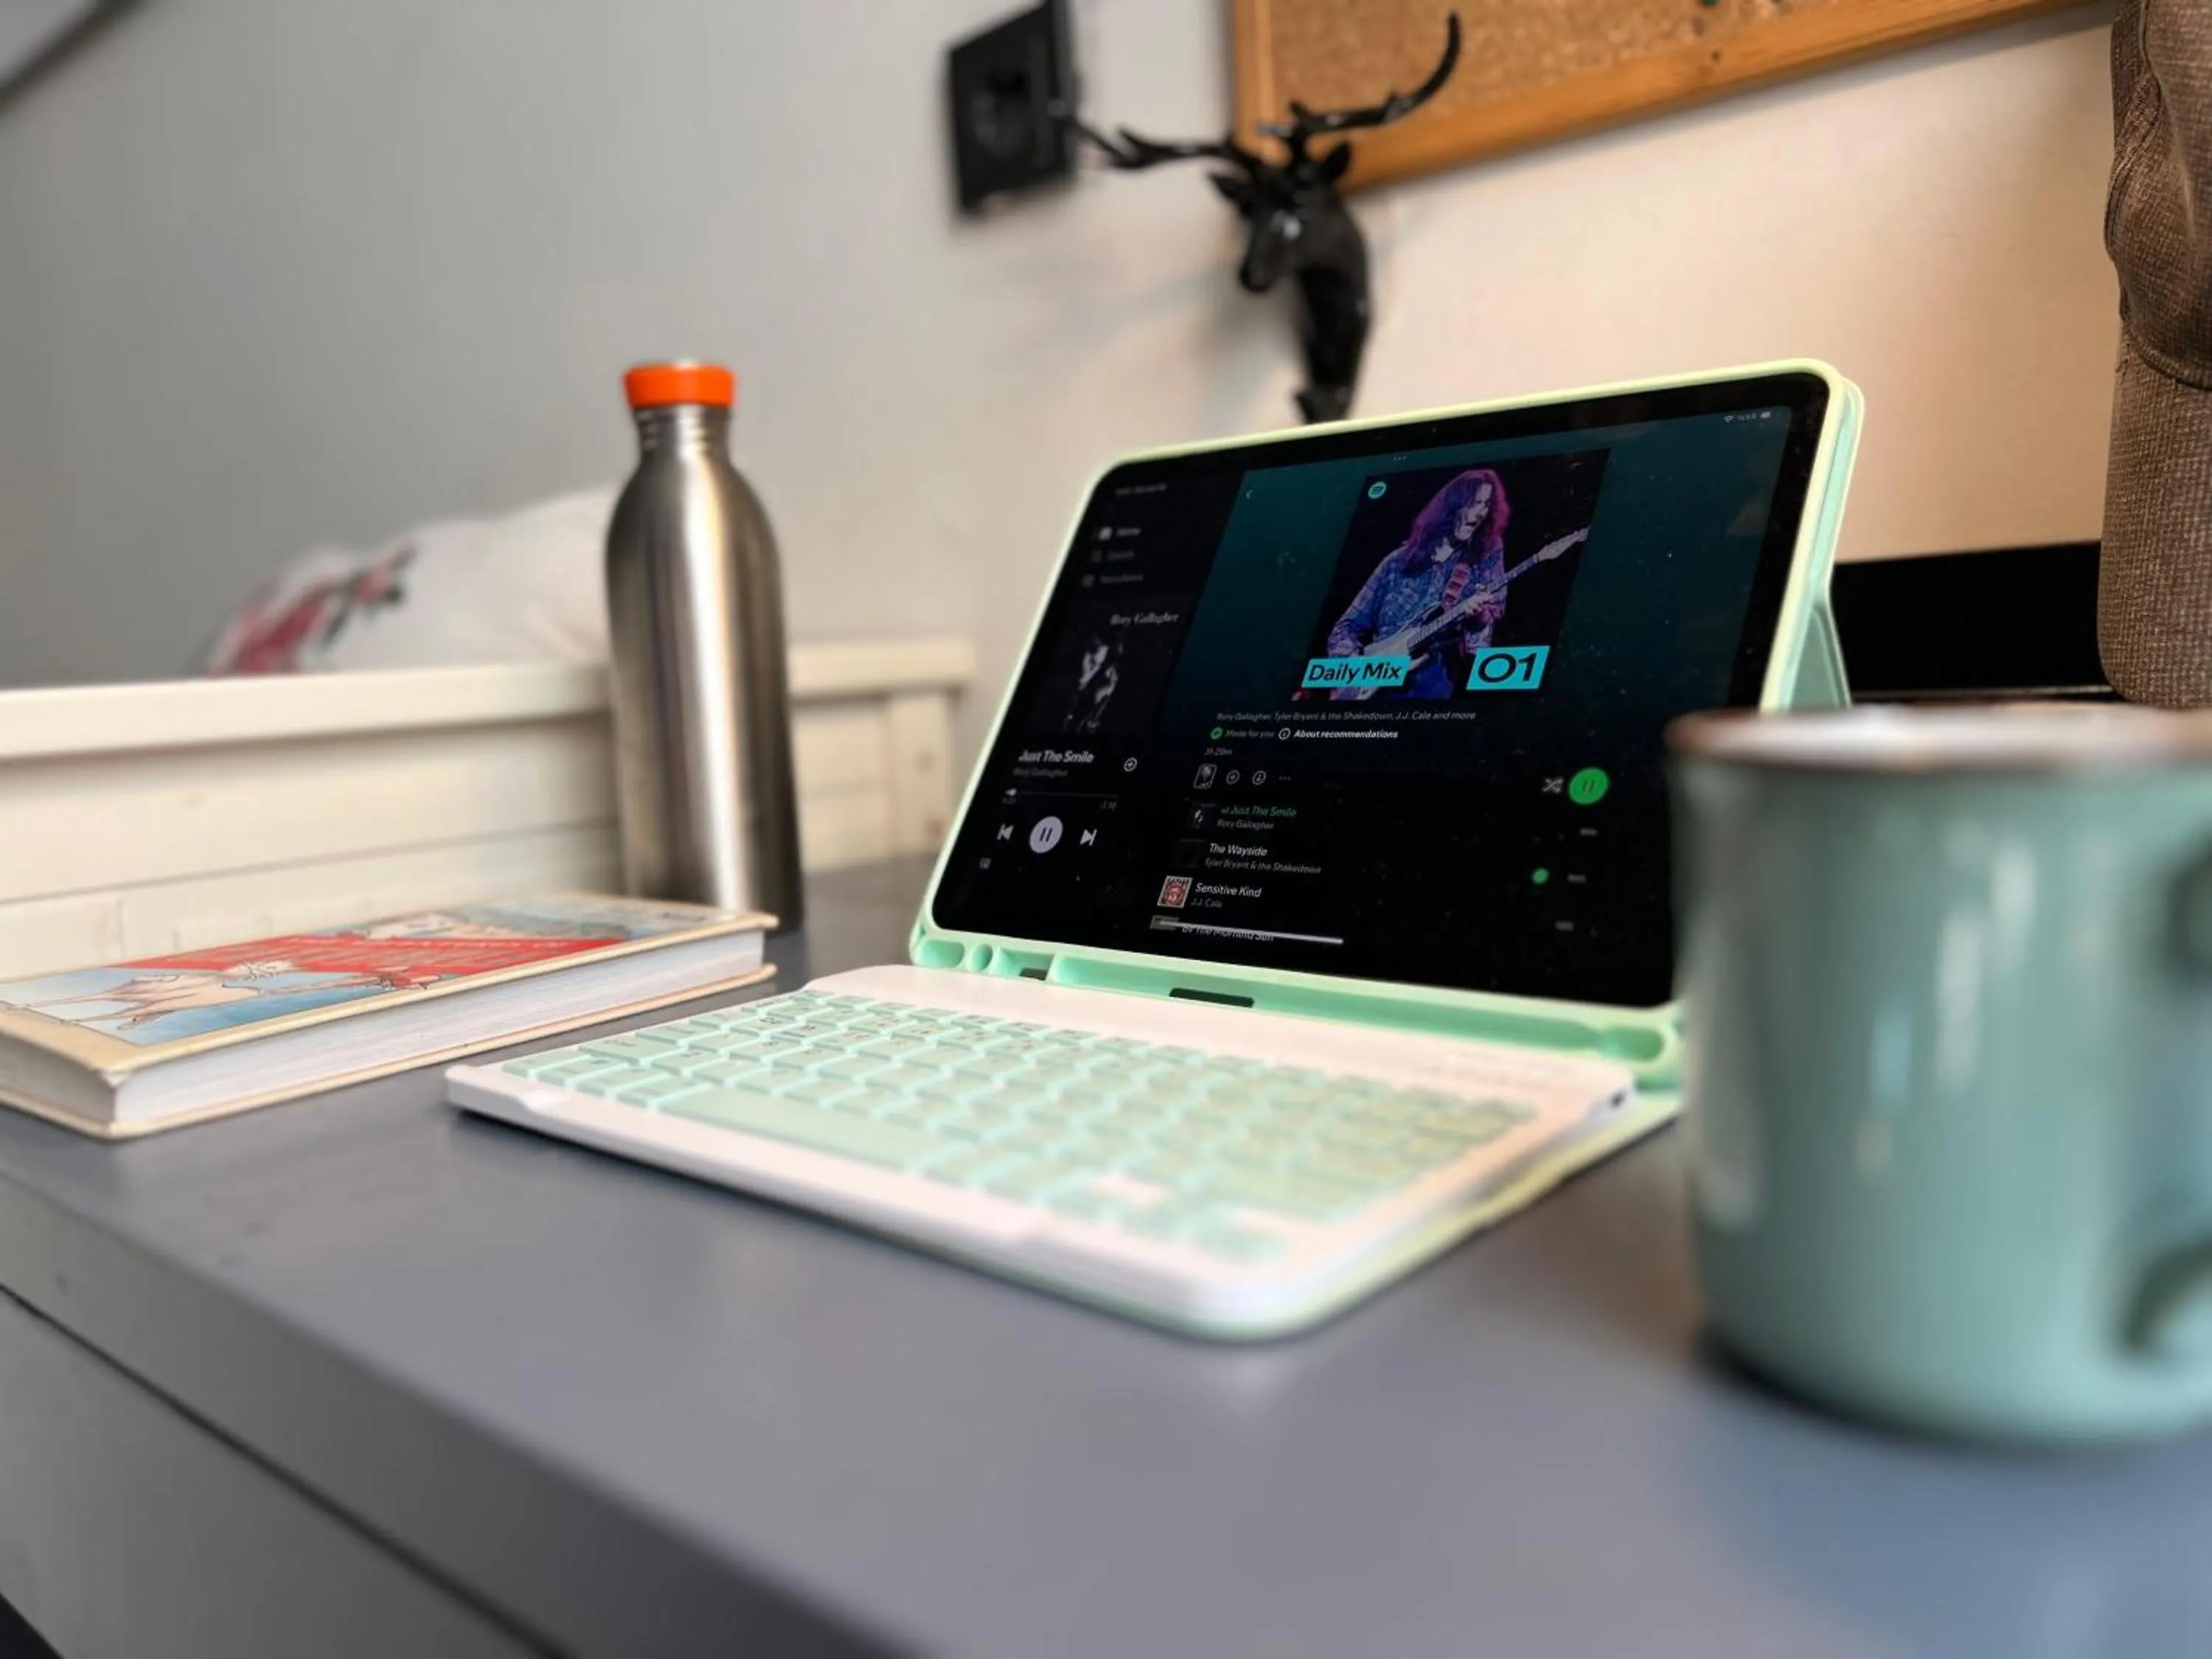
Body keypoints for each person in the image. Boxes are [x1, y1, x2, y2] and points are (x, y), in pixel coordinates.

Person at [1325, 468, 1511, 698]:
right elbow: (1345, 628)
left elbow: (1487, 626)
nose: (1481, 512)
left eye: (1486, 504)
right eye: (1473, 503)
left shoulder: (1486, 552)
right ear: (1451, 508)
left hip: (1432, 685)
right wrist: (1355, 669)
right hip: (1375, 689)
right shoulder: (1396, 562)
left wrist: (1479, 618)